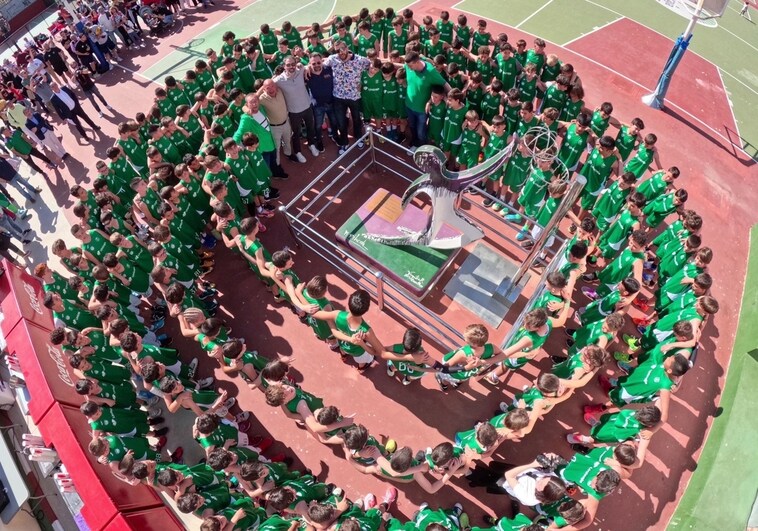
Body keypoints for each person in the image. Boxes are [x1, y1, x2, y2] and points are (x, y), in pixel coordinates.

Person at [322, 40, 370, 154]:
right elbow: (318, 65)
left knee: (357, 119)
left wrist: (363, 82)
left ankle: (359, 137)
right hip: (338, 97)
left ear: (347, 47)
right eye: (337, 50)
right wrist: (305, 67)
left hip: (354, 97)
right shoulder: (332, 59)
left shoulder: (360, 60)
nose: (340, 52)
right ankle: (344, 143)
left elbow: (373, 66)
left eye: (342, 48)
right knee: (341, 122)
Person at [273, 58, 320, 159]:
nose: (291, 67)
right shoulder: (278, 80)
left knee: (310, 128)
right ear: (284, 66)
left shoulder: (301, 71)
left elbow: (308, 65)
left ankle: (311, 144)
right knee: (296, 133)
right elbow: (267, 84)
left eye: (293, 64)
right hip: (294, 112)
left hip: (307, 107)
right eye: (288, 65)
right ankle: (298, 151)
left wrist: (306, 66)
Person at [404, 50, 450, 147]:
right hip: (409, 105)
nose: (408, 68)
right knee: (412, 126)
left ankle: (421, 147)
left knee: (421, 132)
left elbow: (445, 85)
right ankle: (414, 143)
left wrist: (452, 99)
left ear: (417, 62)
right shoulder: (409, 66)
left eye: (410, 66)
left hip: (422, 110)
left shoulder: (431, 72)